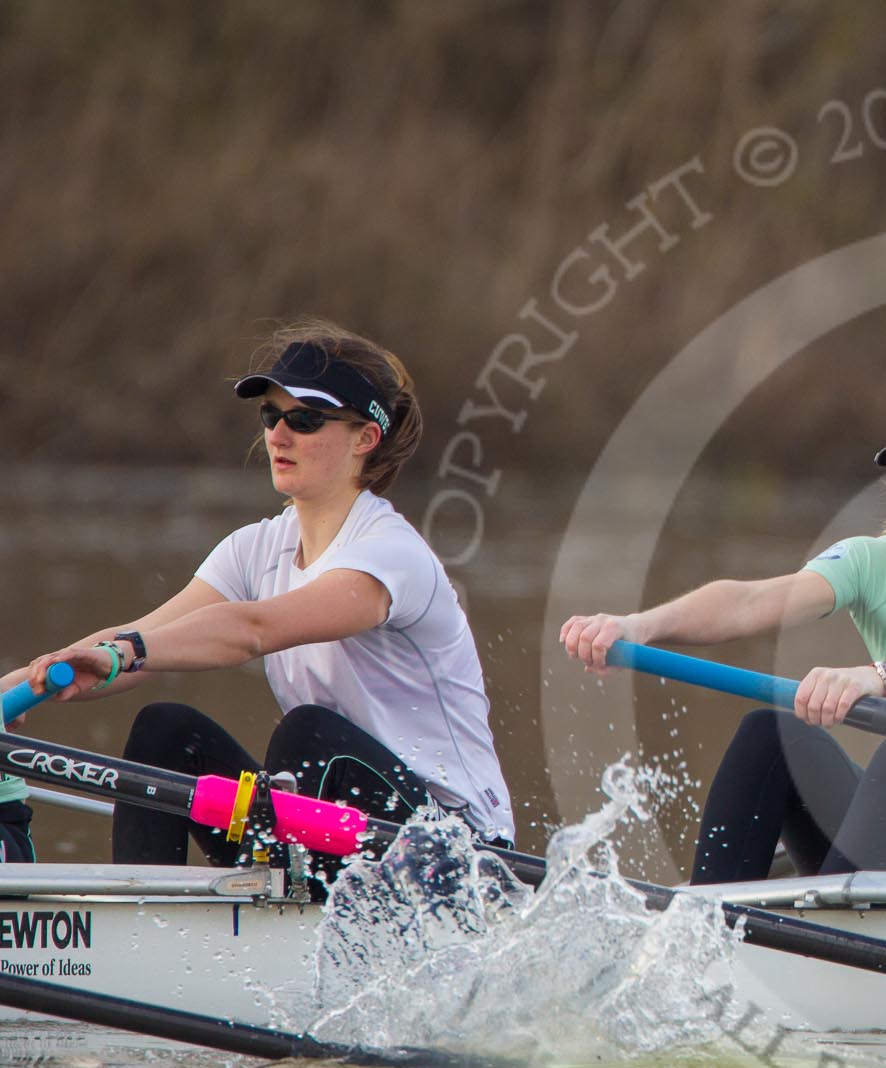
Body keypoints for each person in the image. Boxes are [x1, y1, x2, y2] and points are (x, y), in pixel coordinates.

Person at [560, 354, 886, 882]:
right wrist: (637, 627)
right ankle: (708, 930)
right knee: (772, 730)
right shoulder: (878, 561)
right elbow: (752, 601)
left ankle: (836, 938)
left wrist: (880, 679)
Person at [10, 320, 515, 882]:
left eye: (305, 419)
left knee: (309, 732)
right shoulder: (257, 548)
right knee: (166, 731)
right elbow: (135, 637)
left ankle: (288, 911)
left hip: (458, 851)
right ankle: (142, 923)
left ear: (365, 438)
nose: (279, 435)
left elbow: (250, 630)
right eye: (271, 416)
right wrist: (17, 687)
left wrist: (126, 651)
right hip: (339, 830)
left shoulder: (391, 554)